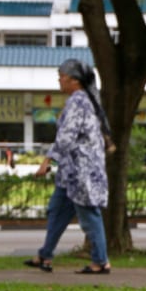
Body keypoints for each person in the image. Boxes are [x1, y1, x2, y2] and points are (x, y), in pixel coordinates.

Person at [24, 59, 111, 274]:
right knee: (57, 211)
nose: (59, 80)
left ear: (74, 80)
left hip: (81, 172)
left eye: (61, 76)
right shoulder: (84, 100)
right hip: (70, 172)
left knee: (89, 214)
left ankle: (101, 262)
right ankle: (44, 256)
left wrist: (48, 161)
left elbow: (66, 137)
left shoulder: (79, 101)